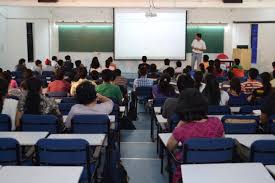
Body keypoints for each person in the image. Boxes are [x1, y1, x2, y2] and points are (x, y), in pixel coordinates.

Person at [167, 88, 224, 183]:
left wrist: (177, 127)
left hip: (189, 173)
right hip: (215, 170)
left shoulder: (181, 130)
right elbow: (222, 143)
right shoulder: (217, 122)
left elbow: (169, 147)